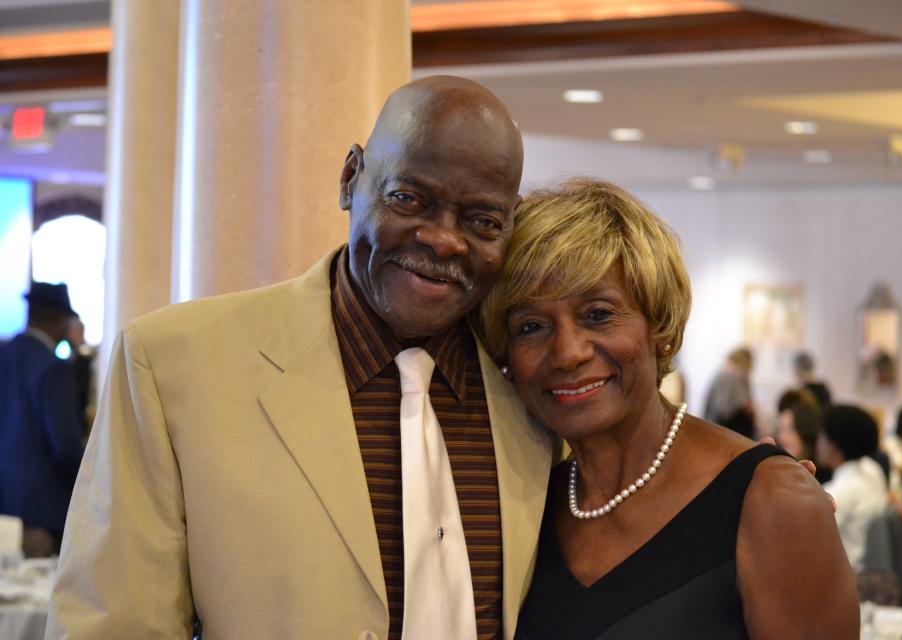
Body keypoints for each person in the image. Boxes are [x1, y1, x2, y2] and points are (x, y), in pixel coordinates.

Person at [47, 76, 556, 639]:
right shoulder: (173, 364)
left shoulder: (533, 391)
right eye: (409, 199)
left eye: (481, 220)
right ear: (350, 179)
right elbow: (113, 625)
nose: (443, 240)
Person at [479, 179, 858, 639]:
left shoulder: (771, 500)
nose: (567, 353)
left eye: (597, 314)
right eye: (531, 326)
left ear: (658, 326)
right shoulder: (529, 502)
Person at [0, 282, 86, 558]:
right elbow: (66, 446)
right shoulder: (52, 368)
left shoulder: (5, 356)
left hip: (6, 501)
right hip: (44, 510)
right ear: (57, 318)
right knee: (37, 592)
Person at [816, 405, 889, 572]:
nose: (818, 442)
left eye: (822, 436)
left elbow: (811, 541)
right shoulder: (873, 470)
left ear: (834, 445)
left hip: (845, 576)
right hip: (872, 570)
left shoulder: (837, 492)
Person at [775, 389, 830, 483]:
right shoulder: (776, 472)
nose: (783, 437)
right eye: (781, 429)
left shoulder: (826, 478)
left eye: (791, 429)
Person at [704, 346, 755, 439]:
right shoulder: (730, 376)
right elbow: (723, 409)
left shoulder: (723, 374)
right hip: (721, 427)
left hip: (714, 425)